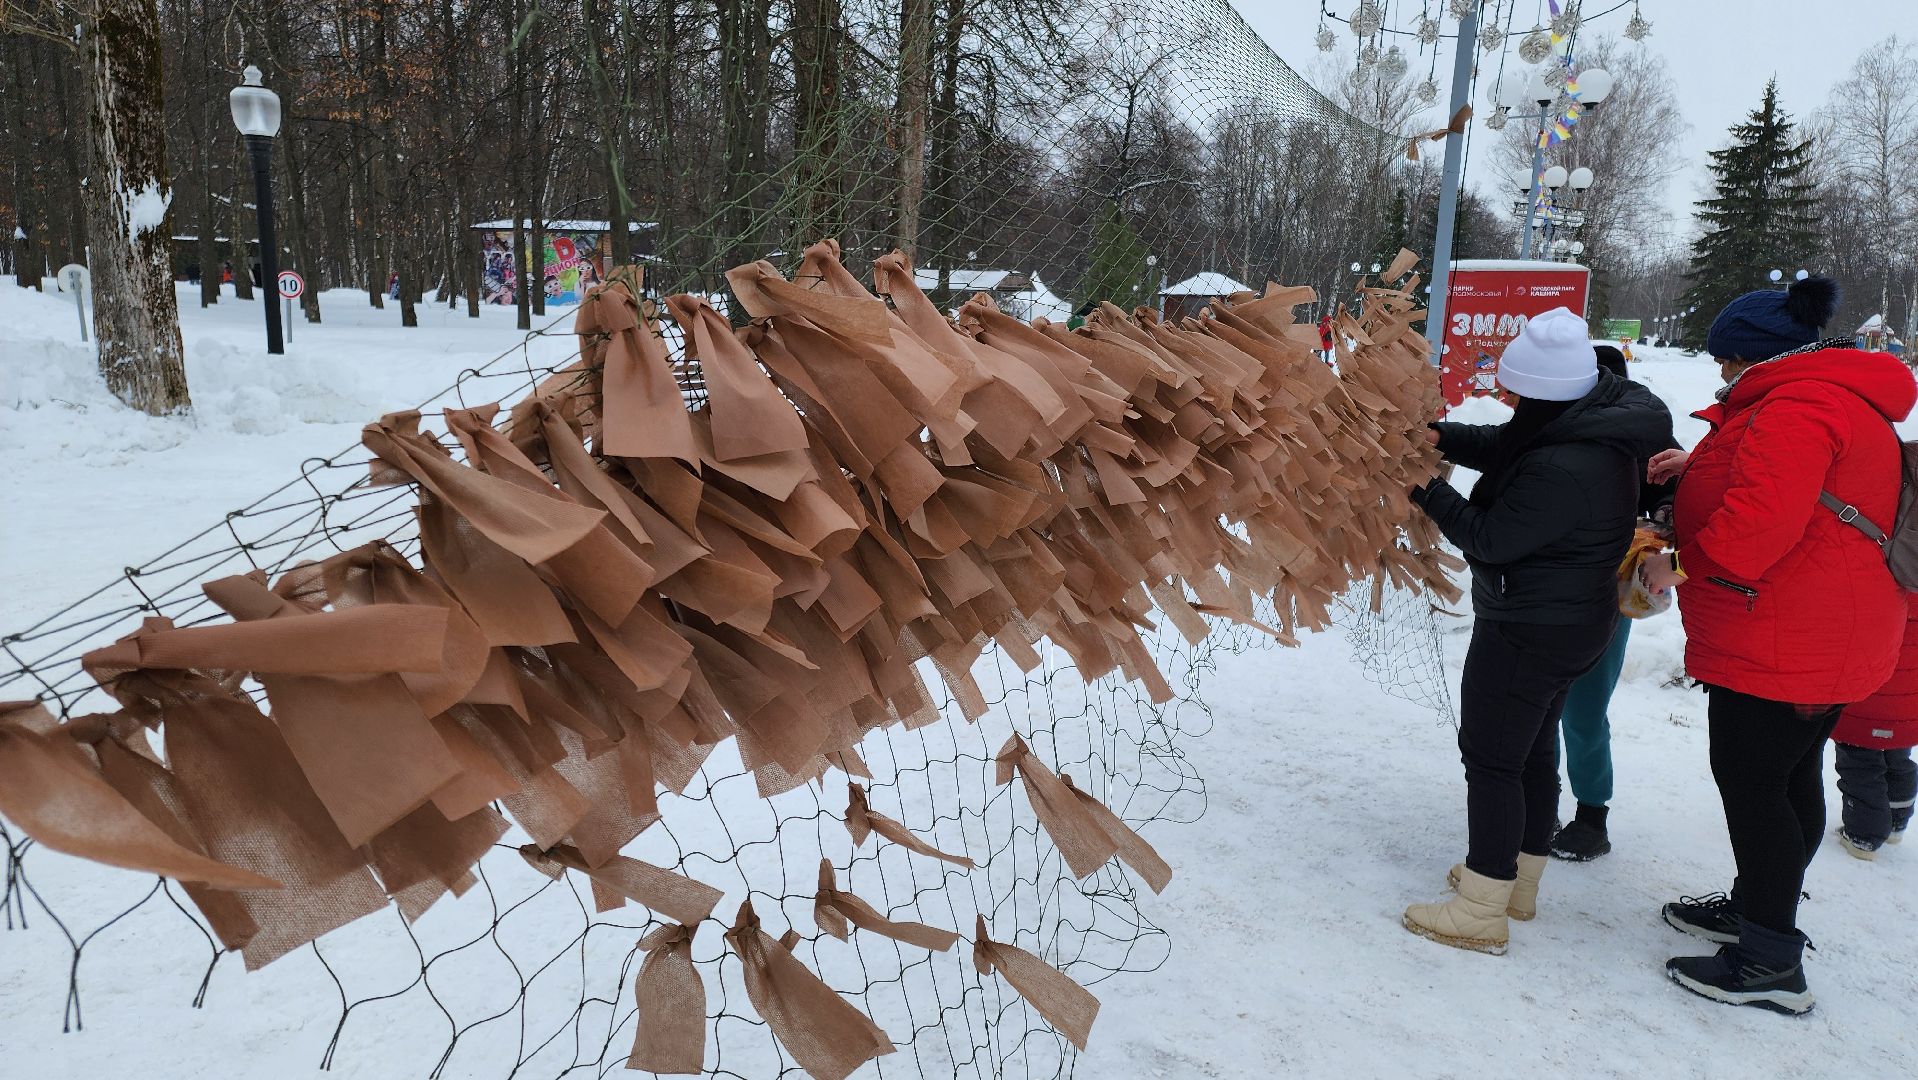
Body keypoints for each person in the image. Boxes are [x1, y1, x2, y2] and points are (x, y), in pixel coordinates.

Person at [1640, 275, 1914, 1014]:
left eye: (1728, 361)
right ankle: (1759, 910)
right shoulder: (1825, 398)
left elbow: (1759, 525)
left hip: (1788, 641)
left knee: (1756, 786)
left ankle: (1768, 961)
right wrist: (1694, 468)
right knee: (1787, 781)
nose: (1721, 374)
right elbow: (1793, 489)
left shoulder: (1800, 405)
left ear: (1758, 356)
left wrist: (1680, 563)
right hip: (1820, 634)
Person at [1402, 307, 1673, 955]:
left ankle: (1480, 908)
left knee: (1492, 757)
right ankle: (1516, 882)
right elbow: (1501, 445)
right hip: (1571, 620)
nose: (1510, 400)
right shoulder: (1581, 424)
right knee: (1531, 750)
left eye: (1518, 389)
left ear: (1543, 391)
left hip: (1530, 627)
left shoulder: (1564, 466)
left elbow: (1490, 540)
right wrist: (1432, 437)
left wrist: (1422, 487)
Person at [1549, 346, 1682, 862]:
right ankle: (1537, 801)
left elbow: (1679, 499)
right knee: (1537, 707)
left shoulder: (1643, 437)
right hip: (1542, 590)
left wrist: (1662, 523)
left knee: (1583, 709)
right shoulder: (1547, 422)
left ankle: (1590, 816)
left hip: (1606, 593)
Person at [1831, 596, 1918, 858]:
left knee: (1859, 759)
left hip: (1868, 688)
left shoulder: (1883, 565)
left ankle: (1863, 835)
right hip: (1908, 698)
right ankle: (1896, 822)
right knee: (1897, 754)